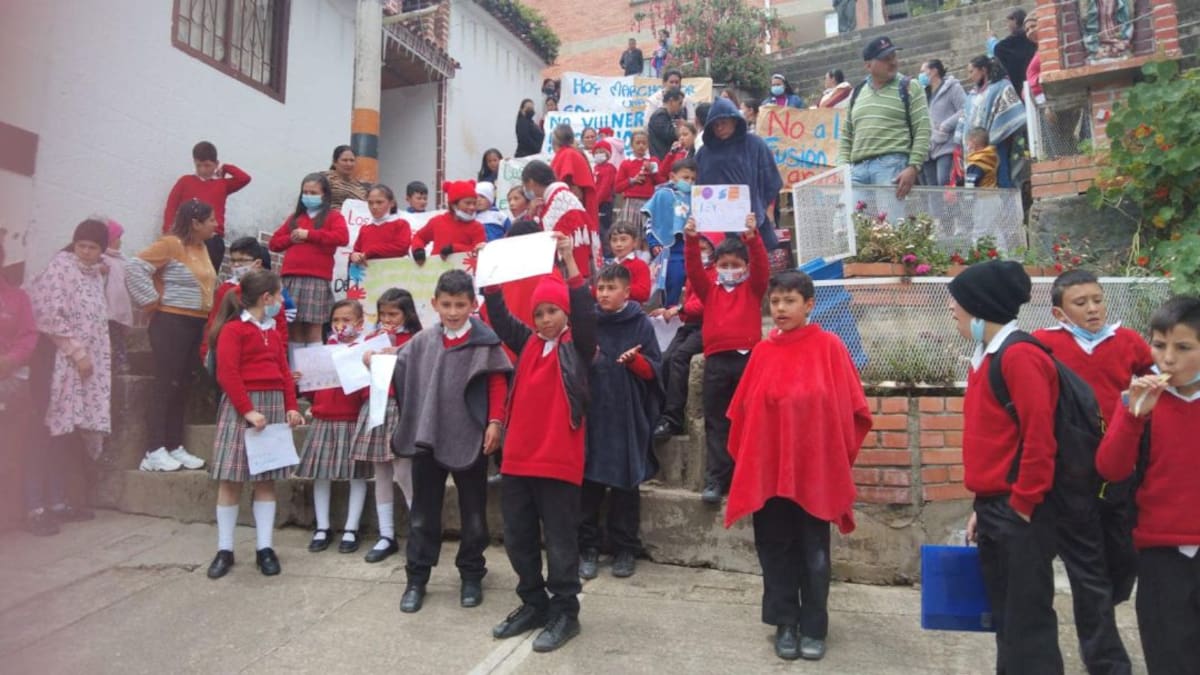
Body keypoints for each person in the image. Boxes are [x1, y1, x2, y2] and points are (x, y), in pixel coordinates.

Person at [725, 270, 871, 661]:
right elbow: (742, 413)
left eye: (790, 301)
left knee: (814, 551)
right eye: (775, 302)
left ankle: (814, 626)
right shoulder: (762, 352)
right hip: (769, 471)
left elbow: (852, 410)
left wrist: (832, 459)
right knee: (775, 547)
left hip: (814, 471)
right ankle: (784, 622)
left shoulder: (830, 348)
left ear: (809, 305)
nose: (781, 308)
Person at [1030, 270, 1149, 674]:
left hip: (1121, 468)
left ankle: (1105, 606)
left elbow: (1156, 379)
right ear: (1060, 313)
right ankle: (1107, 662)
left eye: (1097, 299)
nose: (1093, 309)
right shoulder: (1045, 345)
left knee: (1124, 558)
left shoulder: (1128, 341)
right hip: (1071, 474)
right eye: (1081, 303)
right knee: (1088, 574)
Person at [483, 234, 596, 653]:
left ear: (565, 313)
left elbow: (584, 312)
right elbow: (499, 315)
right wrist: (490, 276)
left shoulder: (578, 347)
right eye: (540, 312)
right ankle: (533, 601)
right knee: (519, 538)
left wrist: (568, 260)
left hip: (558, 462)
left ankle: (565, 611)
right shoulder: (528, 342)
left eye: (553, 311)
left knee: (562, 541)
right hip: (517, 461)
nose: (546, 319)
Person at [950, 261, 1064, 673]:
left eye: (959, 304)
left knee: (1027, 621)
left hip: (1021, 511)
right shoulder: (984, 356)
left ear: (980, 308)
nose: (953, 311)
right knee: (1005, 616)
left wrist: (1023, 504)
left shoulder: (1019, 357)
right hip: (995, 506)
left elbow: (1039, 439)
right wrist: (980, 508)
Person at [392, 270, 512, 613]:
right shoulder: (422, 342)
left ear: (473, 305)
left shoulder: (485, 342)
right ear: (434, 304)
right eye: (446, 304)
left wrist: (495, 422)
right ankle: (416, 578)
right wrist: (377, 363)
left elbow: (496, 384)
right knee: (422, 514)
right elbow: (400, 372)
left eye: (461, 304)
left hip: (470, 435)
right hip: (427, 437)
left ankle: (472, 574)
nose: (454, 311)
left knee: (473, 512)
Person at [1095, 296, 1200, 675]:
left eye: (1183, 347)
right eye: (1159, 345)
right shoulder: (1139, 401)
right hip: (1161, 554)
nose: (1168, 358)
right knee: (1169, 657)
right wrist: (1133, 416)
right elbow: (1111, 468)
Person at [204, 269, 304, 580]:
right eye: (279, 295)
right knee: (231, 480)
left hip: (272, 406)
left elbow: (284, 372)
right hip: (242, 407)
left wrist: (291, 407)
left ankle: (264, 548)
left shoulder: (272, 331)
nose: (281, 300)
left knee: (266, 479)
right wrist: (248, 411)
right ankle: (225, 549)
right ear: (266, 297)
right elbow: (228, 374)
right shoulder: (234, 330)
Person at [23, 221, 112, 526]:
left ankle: (57, 501)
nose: (85, 253)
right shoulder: (60, 268)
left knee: (66, 432)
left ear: (102, 251)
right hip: (55, 363)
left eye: (93, 248)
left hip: (81, 368)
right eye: (81, 246)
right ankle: (34, 507)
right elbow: (48, 314)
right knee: (45, 431)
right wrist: (77, 352)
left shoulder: (94, 275)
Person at [580, 264, 662, 580]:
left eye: (611, 288)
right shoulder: (588, 322)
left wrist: (636, 362)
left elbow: (655, 370)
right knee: (588, 485)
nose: (603, 294)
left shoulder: (640, 324)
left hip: (626, 415)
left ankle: (625, 548)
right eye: (600, 288)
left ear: (627, 292)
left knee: (626, 486)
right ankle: (587, 547)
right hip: (593, 412)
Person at [127, 201, 218, 472]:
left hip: (195, 323)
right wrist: (152, 301)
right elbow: (134, 267)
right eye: (211, 220)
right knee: (166, 384)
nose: (216, 224)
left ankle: (174, 444)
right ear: (195, 223)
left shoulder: (203, 248)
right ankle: (153, 449)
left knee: (184, 384)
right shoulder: (171, 244)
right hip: (171, 322)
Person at [684, 213, 768, 503]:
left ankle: (750, 476)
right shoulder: (710, 290)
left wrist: (753, 238)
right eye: (724, 265)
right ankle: (717, 478)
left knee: (749, 420)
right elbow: (694, 269)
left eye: (736, 265)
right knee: (717, 421)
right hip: (717, 362)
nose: (730, 269)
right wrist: (692, 239)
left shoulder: (753, 288)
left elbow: (762, 267)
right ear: (716, 267)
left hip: (748, 362)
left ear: (745, 267)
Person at [296, 299, 372, 554]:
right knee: (321, 473)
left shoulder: (364, 351)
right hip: (324, 418)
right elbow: (314, 390)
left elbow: (367, 391)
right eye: (336, 320)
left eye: (346, 320)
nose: (340, 325)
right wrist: (303, 385)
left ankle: (351, 528)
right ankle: (323, 526)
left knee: (357, 474)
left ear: (359, 323)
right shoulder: (322, 351)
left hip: (351, 419)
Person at [352, 288, 422, 564]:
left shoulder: (415, 339)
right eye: (383, 314)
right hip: (376, 405)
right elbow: (358, 377)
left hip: (402, 407)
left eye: (393, 314)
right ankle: (386, 534)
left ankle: (419, 529)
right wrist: (367, 360)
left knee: (404, 470)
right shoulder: (370, 339)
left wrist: (398, 351)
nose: (388, 319)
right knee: (380, 471)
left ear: (407, 313)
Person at [839, 36, 931, 200]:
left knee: (890, 224)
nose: (893, 62)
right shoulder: (858, 92)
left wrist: (914, 167)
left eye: (894, 56)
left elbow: (923, 129)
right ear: (868, 65)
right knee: (844, 223)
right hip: (857, 170)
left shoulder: (910, 86)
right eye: (885, 59)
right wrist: (843, 169)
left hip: (892, 166)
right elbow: (846, 135)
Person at [269, 173, 350, 356]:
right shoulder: (294, 218)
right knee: (294, 329)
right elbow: (274, 243)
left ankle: (314, 377)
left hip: (317, 279)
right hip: (291, 278)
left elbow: (342, 237)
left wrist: (310, 235)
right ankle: (296, 375)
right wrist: (291, 238)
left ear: (324, 195)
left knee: (313, 330)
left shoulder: (333, 217)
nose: (308, 196)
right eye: (305, 192)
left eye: (313, 192)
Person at [695, 97, 783, 250]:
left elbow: (771, 180)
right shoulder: (704, 153)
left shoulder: (755, 145)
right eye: (715, 125)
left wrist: (760, 206)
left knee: (758, 266)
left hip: (752, 220)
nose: (719, 128)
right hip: (718, 224)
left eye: (723, 123)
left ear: (735, 121)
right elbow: (698, 186)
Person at [2, 241, 46, 534]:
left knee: (13, 451)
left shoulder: (17, 298)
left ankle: (12, 514)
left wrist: (9, 361)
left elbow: (29, 335)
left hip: (12, 383)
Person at [652, 234, 714, 439]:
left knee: (679, 359)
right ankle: (661, 412)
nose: (702, 252)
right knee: (666, 359)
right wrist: (669, 309)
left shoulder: (716, 272)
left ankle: (673, 419)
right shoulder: (696, 272)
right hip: (691, 324)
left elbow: (704, 303)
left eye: (706, 248)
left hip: (707, 325)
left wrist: (679, 309)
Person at [162, 140, 251, 270]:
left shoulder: (222, 184)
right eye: (198, 165)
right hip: (187, 237)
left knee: (207, 278)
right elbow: (171, 206)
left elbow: (244, 178)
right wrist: (168, 231)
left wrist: (225, 167)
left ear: (215, 164)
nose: (202, 169)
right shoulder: (185, 181)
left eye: (207, 165)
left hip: (213, 239)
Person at [522, 159, 601, 279]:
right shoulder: (548, 200)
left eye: (525, 185)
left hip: (574, 265)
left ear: (531, 182)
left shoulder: (561, 200)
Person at [957, 55, 1027, 189]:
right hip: (976, 144)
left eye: (972, 71)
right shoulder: (972, 94)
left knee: (1002, 176)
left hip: (997, 141)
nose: (969, 76)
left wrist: (996, 133)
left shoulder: (1002, 86)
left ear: (983, 70)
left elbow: (1013, 111)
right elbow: (965, 116)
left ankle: (1009, 207)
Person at [643, 157, 697, 307]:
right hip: (670, 251)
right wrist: (653, 243)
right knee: (674, 279)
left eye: (693, 178)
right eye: (686, 177)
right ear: (673, 176)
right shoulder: (662, 194)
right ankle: (669, 310)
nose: (690, 182)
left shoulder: (697, 197)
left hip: (693, 249)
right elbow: (650, 222)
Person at [410, 180, 486, 263]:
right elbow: (419, 237)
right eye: (467, 203)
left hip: (464, 273)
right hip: (436, 271)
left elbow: (479, 252)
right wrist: (418, 250)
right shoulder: (437, 222)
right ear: (454, 205)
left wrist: (454, 248)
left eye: (474, 203)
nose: (472, 207)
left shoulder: (477, 227)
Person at [920, 59, 966, 187]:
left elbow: (966, 109)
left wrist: (946, 125)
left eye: (923, 71)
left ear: (934, 71)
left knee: (944, 181)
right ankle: (936, 208)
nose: (921, 76)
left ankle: (952, 207)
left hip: (946, 144)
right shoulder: (923, 93)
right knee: (932, 188)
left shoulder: (952, 88)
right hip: (928, 147)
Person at [549, 125, 599, 233]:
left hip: (571, 213)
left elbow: (573, 188)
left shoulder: (568, 154)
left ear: (555, 140)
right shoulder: (569, 153)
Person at [350, 184, 411, 264]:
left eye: (379, 202)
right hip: (367, 274)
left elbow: (401, 248)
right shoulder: (365, 228)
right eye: (370, 203)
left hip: (393, 273)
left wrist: (371, 252)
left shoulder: (401, 224)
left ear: (391, 203)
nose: (374, 206)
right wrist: (354, 256)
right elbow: (357, 250)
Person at [102, 219, 133, 374]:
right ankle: (119, 362)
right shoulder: (103, 260)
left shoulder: (122, 259)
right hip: (108, 309)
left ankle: (119, 362)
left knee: (119, 336)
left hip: (120, 307)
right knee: (113, 338)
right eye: (117, 238)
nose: (120, 242)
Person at [615, 130, 661, 232]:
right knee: (631, 233)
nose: (641, 146)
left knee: (647, 234)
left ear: (648, 145)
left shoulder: (653, 161)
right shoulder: (626, 163)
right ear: (632, 145)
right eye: (638, 143)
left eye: (644, 143)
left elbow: (660, 182)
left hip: (649, 202)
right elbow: (617, 187)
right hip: (630, 202)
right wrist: (632, 181)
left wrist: (652, 171)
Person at [993, 8, 1037, 99]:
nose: (1007, 25)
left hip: (1024, 87)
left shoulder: (1003, 47)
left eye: (1008, 22)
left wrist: (992, 40)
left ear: (1015, 20)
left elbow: (998, 49)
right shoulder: (1031, 40)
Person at [607, 223, 651, 304]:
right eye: (614, 240)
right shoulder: (608, 266)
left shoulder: (640, 265)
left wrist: (616, 288)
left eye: (623, 240)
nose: (618, 244)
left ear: (635, 242)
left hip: (631, 311)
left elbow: (644, 293)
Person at [324, 145, 369, 210]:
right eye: (345, 160)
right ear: (334, 162)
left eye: (352, 160)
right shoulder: (324, 180)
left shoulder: (361, 188)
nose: (349, 164)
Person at [592, 140, 618, 251]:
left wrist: (595, 202)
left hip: (603, 204)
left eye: (602, 152)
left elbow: (605, 188)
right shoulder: (595, 168)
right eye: (596, 152)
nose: (599, 154)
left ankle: (608, 252)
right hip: (595, 203)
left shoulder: (609, 168)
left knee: (604, 229)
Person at [648, 89, 686, 160]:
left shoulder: (669, 116)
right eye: (679, 103)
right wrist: (682, 128)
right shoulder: (660, 116)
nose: (681, 107)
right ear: (671, 101)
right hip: (661, 160)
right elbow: (670, 135)